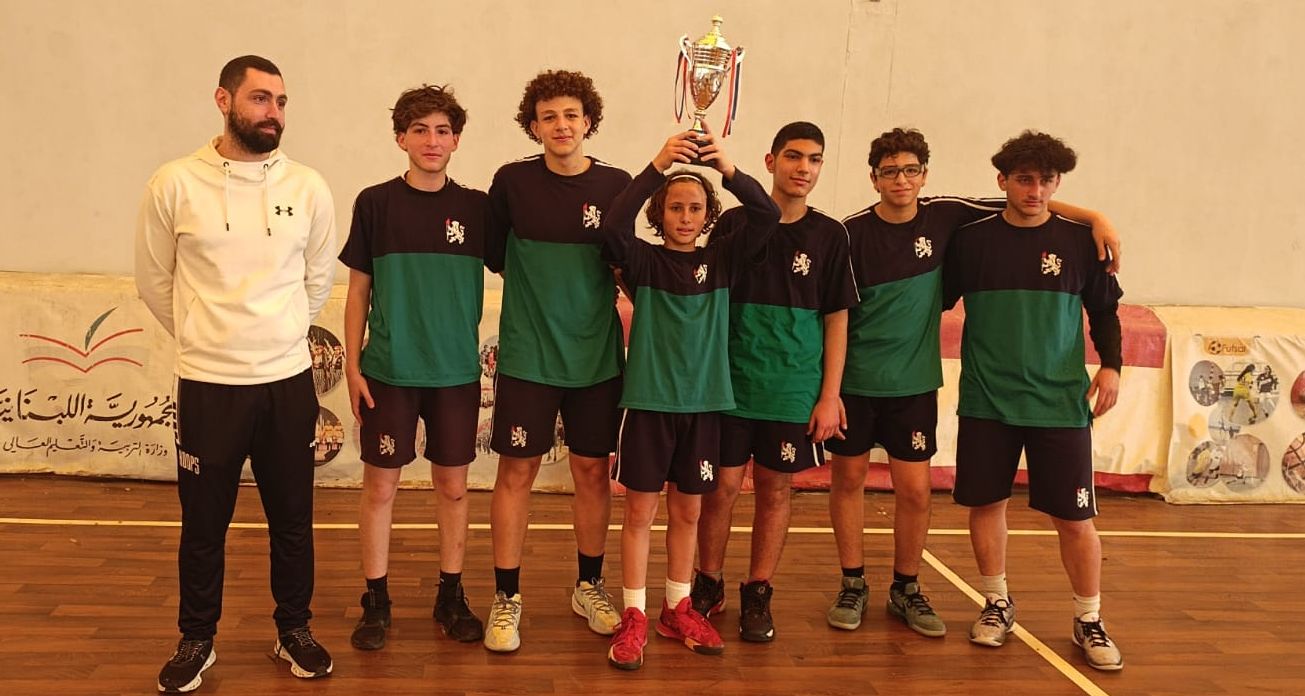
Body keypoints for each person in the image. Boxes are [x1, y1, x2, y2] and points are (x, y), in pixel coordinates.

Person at [825, 128, 1120, 637]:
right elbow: (837, 312)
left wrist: (1096, 217)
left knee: (920, 492)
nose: (901, 179)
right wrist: (829, 389)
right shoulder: (864, 234)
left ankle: (911, 589)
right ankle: (862, 585)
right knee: (858, 482)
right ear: (873, 178)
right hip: (886, 387)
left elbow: (1031, 205)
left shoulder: (953, 217)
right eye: (890, 171)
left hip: (947, 389)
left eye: (911, 170)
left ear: (924, 176)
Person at [135, 55, 336, 692]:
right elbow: (154, 280)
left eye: (281, 101)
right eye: (259, 99)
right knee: (203, 526)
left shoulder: (308, 187)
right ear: (223, 100)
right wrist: (207, 338)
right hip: (208, 385)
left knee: (293, 521)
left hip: (286, 384)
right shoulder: (174, 183)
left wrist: (277, 337)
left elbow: (317, 280)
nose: (273, 112)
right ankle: (196, 639)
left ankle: (293, 630)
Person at [943, 130, 1124, 671]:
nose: (1036, 191)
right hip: (987, 400)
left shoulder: (1081, 242)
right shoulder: (971, 241)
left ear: (1058, 183)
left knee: (1075, 518)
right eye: (1025, 179)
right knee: (987, 505)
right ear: (1002, 180)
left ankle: (1089, 617)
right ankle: (996, 602)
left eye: (1047, 180)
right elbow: (932, 301)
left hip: (1059, 403)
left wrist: (1112, 365)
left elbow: (1105, 312)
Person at [602, 127, 780, 670]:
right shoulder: (643, 260)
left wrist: (727, 168)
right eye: (675, 207)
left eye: (695, 207)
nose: (685, 216)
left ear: (708, 215)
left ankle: (677, 607)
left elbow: (767, 214)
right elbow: (612, 225)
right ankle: (634, 613)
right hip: (649, 405)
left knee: (688, 511)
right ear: (660, 214)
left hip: (703, 407)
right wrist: (658, 165)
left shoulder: (723, 260)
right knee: (640, 513)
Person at [481, 70, 632, 652]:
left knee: (592, 472)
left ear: (588, 120)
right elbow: (497, 255)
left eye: (571, 115)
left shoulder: (617, 185)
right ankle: (506, 597)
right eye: (548, 117)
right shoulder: (511, 183)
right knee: (515, 473)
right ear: (533, 126)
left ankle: (589, 586)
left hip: (596, 360)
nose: (561, 125)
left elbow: (626, 267)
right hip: (529, 358)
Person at [692, 122, 858, 642]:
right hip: (729, 384)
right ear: (770, 161)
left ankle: (758, 591)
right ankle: (707, 582)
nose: (803, 168)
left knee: (775, 489)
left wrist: (829, 395)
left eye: (814, 159)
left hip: (791, 389)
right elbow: (707, 297)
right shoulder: (735, 223)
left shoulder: (830, 235)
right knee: (720, 488)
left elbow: (836, 317)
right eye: (793, 156)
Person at [338, 84, 488, 652]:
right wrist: (353, 367)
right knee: (381, 488)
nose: (432, 140)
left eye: (443, 130)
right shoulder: (375, 203)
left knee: (453, 488)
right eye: (420, 130)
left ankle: (451, 596)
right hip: (389, 372)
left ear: (457, 140)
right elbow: (358, 292)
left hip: (455, 374)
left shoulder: (477, 209)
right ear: (400, 137)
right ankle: (376, 600)